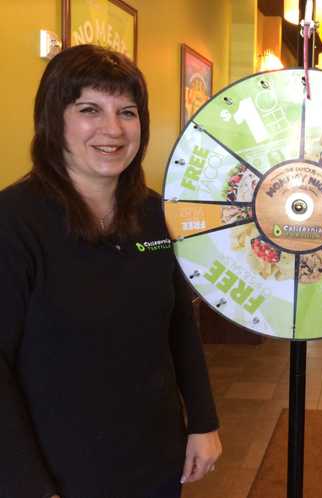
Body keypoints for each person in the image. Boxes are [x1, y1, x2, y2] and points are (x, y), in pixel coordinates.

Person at [0, 45, 222, 498]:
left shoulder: (156, 212)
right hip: (57, 467)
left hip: (155, 456)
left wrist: (202, 421)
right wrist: (26, 484)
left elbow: (179, 323)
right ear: (53, 119)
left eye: (127, 111)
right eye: (89, 109)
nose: (113, 129)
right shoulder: (14, 220)